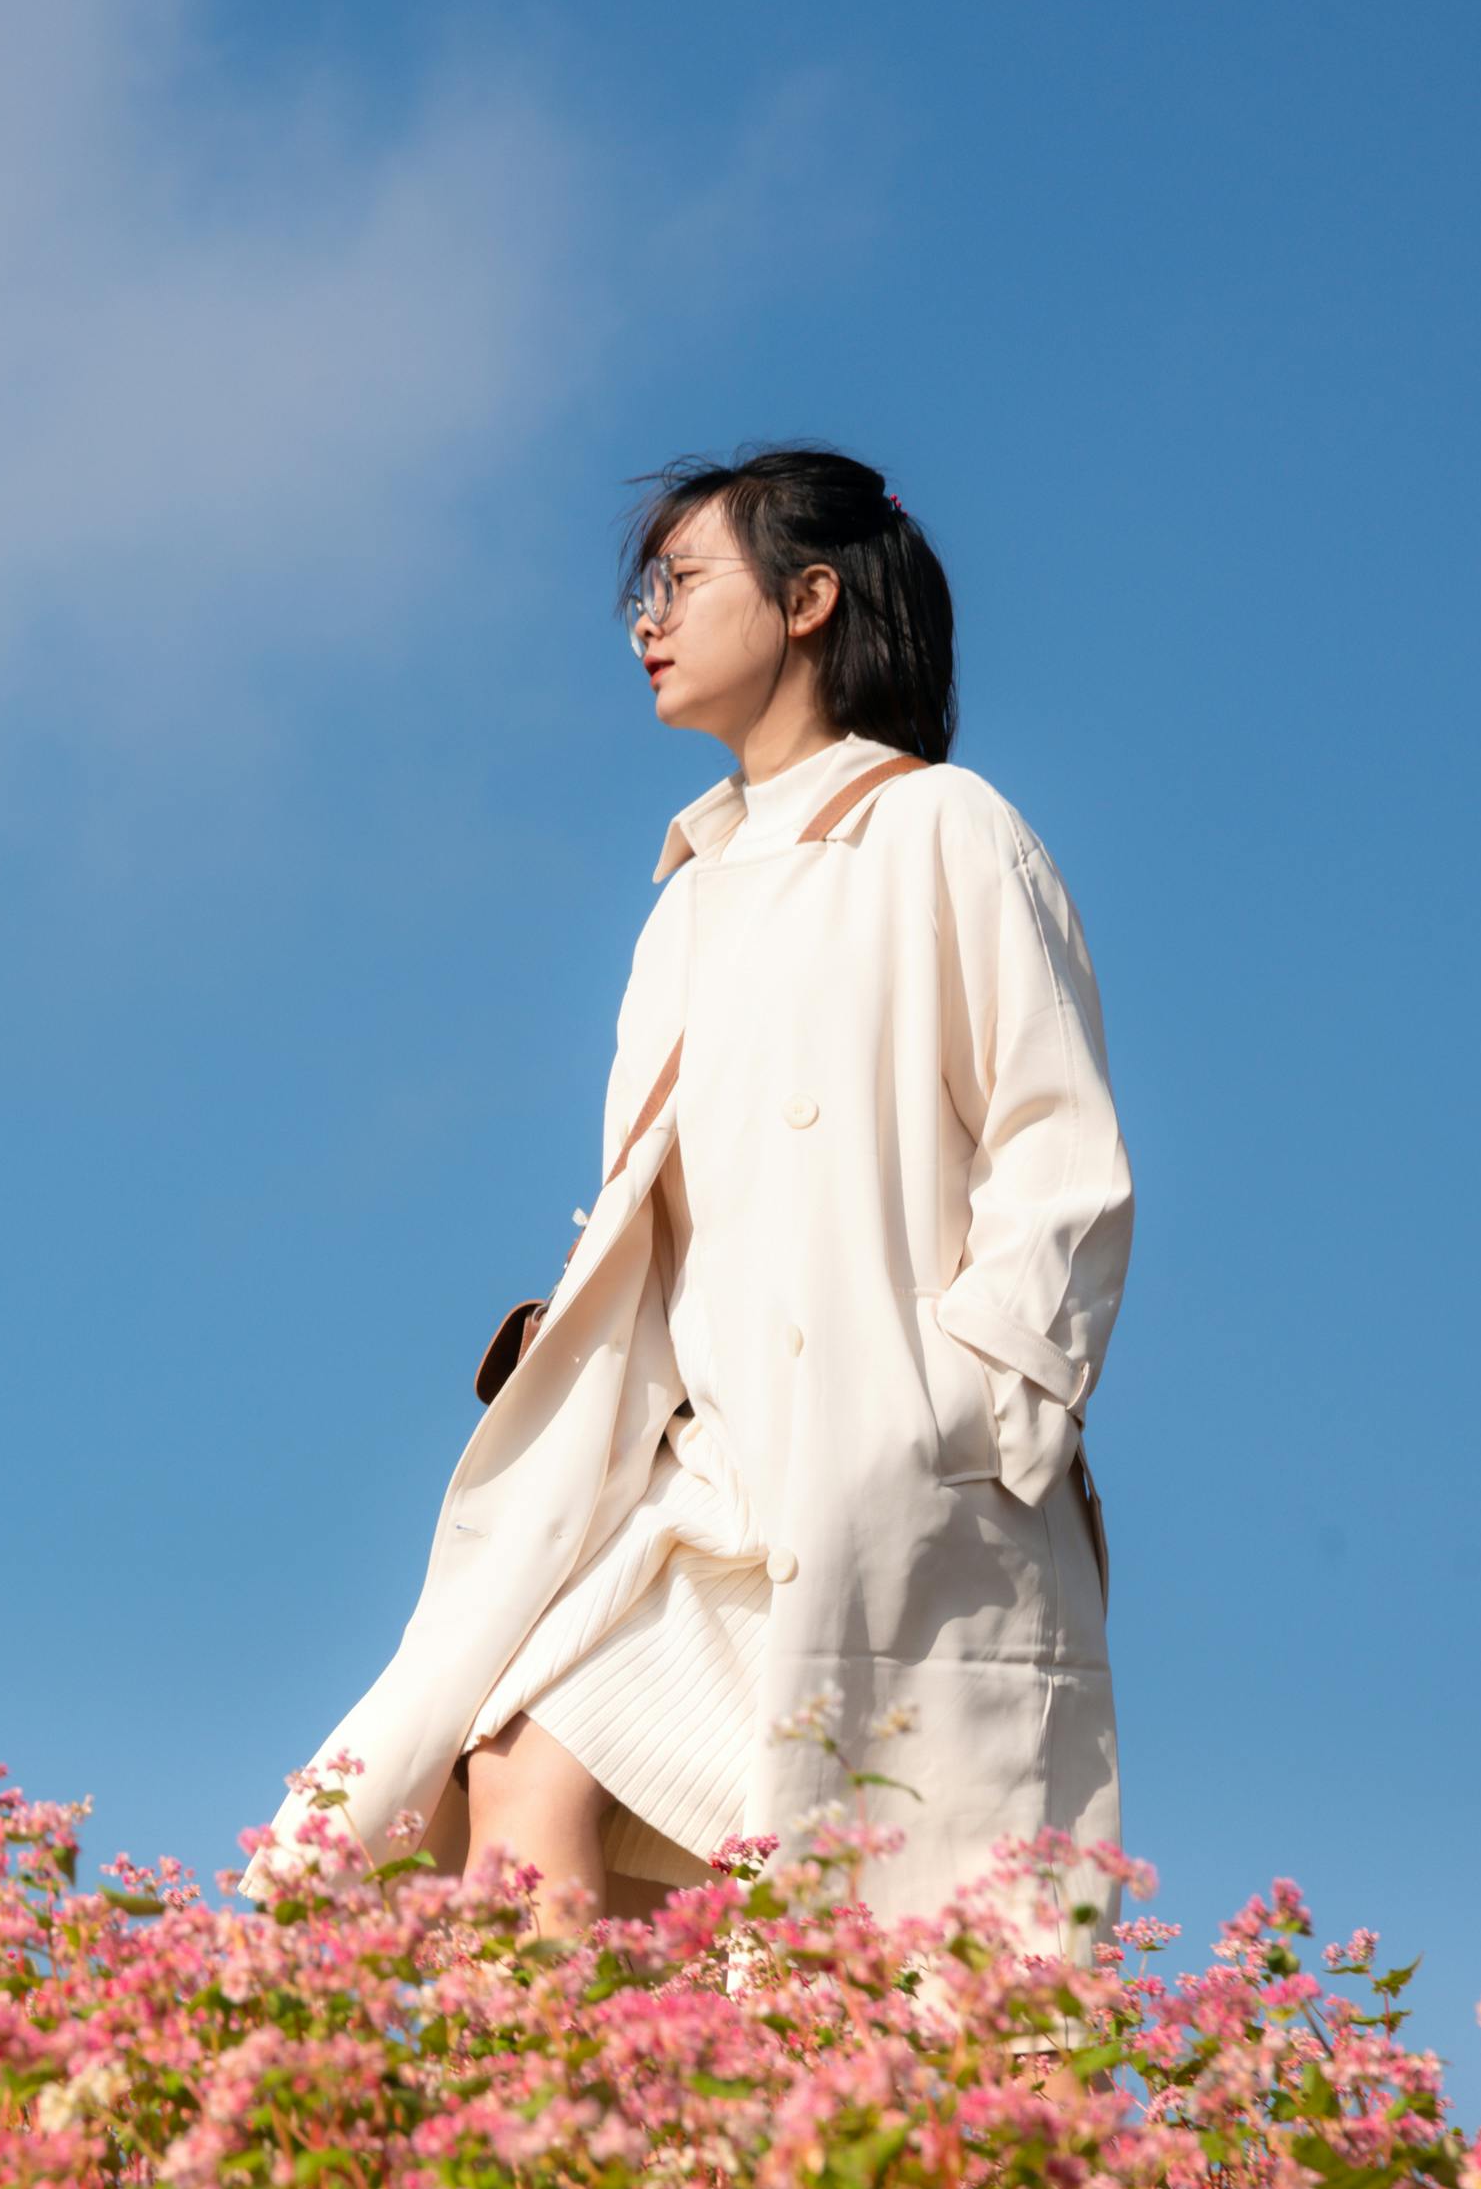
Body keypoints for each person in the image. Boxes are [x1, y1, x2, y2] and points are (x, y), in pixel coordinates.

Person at [249, 446, 1131, 1938]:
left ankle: (663, 2153)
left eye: (680, 581)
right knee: (519, 1781)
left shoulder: (943, 828)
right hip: (700, 1475)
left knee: (879, 1949)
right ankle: (566, 2164)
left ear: (809, 598)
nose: (645, 620)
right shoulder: (689, 896)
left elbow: (1059, 1156)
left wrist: (965, 1407)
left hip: (886, 1465)